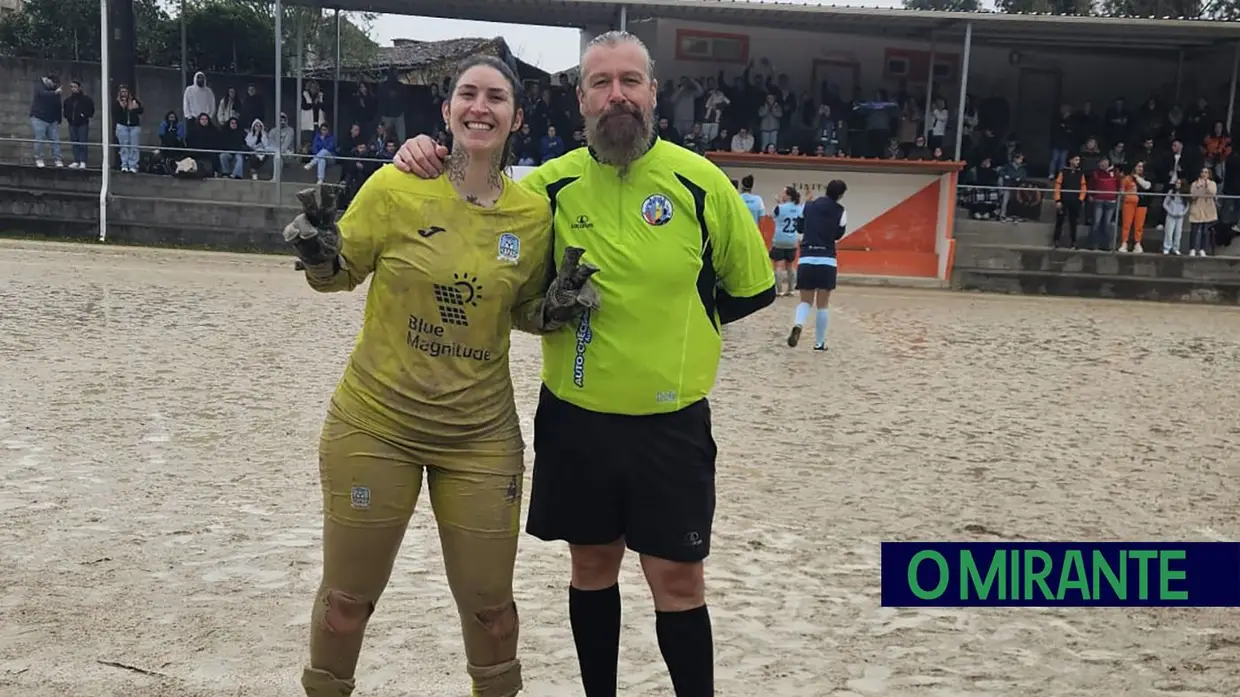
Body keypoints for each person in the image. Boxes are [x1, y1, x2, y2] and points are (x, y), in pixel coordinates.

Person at [392, 30, 775, 697]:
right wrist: (420, 155)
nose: (616, 95)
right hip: (577, 420)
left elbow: (745, 293)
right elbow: (470, 205)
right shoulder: (548, 187)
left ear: (653, 92)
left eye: (630, 80)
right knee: (592, 568)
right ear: (581, 99)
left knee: (678, 580)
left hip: (671, 425)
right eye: (601, 82)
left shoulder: (702, 184)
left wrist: (663, 347)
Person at [282, 54, 598, 697]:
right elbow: (338, 275)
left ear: (517, 117)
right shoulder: (394, 187)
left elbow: (522, 309)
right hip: (375, 424)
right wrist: (318, 250)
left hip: (479, 436)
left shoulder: (532, 216)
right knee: (346, 604)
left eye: (496, 97)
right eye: (468, 94)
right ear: (448, 109)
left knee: (493, 613)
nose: (481, 107)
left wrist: (556, 307)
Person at [787, 179, 847, 352]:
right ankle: (819, 343)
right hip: (827, 260)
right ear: (841, 195)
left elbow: (799, 228)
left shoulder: (807, 206)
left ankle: (798, 324)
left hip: (806, 258)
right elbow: (838, 235)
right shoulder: (841, 211)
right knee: (822, 305)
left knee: (805, 301)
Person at [769, 186, 804, 296]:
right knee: (790, 265)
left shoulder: (779, 207)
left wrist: (779, 204)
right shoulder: (799, 208)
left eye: (784, 193)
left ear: (788, 196)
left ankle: (779, 290)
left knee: (778, 266)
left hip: (779, 239)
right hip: (792, 240)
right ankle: (791, 289)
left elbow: (772, 216)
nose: (782, 195)